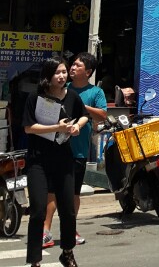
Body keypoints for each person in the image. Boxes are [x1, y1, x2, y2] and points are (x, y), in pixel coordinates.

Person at [23, 56, 88, 267]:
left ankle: (67, 252)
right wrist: (56, 128)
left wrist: (77, 126)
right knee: (38, 211)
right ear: (48, 75)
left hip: (63, 159)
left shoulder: (72, 96)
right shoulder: (36, 97)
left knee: (68, 209)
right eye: (57, 73)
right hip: (38, 160)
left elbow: (84, 115)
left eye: (64, 72)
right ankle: (35, 260)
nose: (61, 76)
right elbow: (29, 128)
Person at [43, 53, 108, 249]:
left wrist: (80, 105)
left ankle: (70, 229)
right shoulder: (62, 87)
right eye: (71, 65)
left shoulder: (95, 92)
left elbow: (102, 115)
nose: (71, 68)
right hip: (55, 147)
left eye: (77, 66)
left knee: (73, 193)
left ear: (88, 72)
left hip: (78, 150)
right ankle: (45, 230)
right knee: (52, 191)